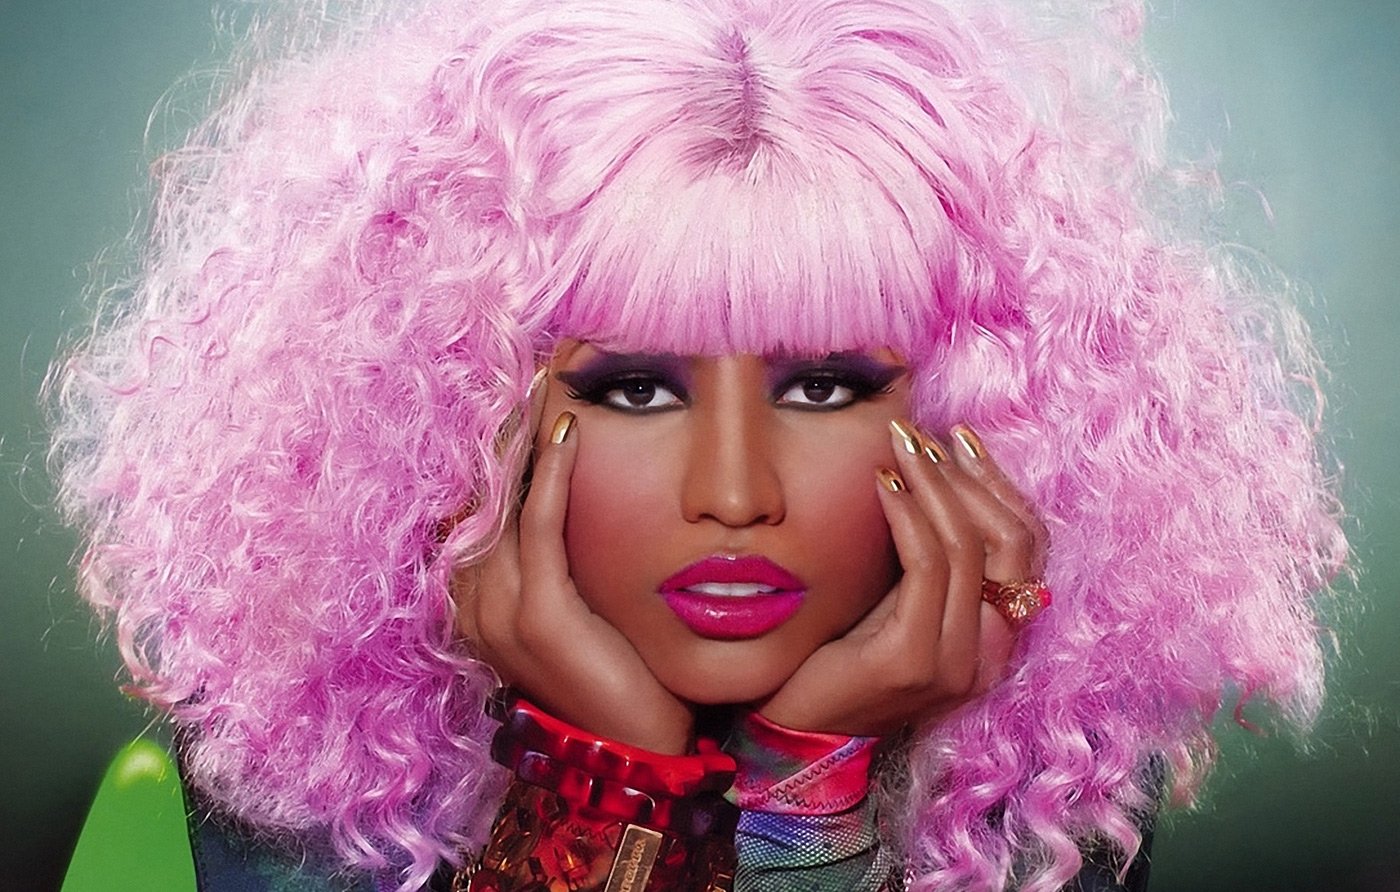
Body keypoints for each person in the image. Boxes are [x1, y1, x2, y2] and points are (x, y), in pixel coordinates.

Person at [48, 0, 1344, 889]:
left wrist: (804, 785)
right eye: (635, 390)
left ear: (967, 423)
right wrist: (598, 791)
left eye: (825, 386)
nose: (735, 493)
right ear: (459, 414)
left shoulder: (1049, 835)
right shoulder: (226, 840)